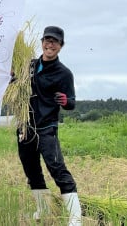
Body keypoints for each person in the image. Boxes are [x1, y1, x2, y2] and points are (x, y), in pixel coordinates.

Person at [16, 26, 82, 226]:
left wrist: (65, 101)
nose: (50, 44)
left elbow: (71, 102)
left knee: (57, 168)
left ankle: (75, 218)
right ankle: (43, 210)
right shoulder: (29, 65)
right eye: (47, 40)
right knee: (32, 170)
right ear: (42, 42)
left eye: (55, 41)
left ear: (60, 46)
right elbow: (15, 82)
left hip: (46, 128)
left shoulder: (64, 73)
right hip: (25, 127)